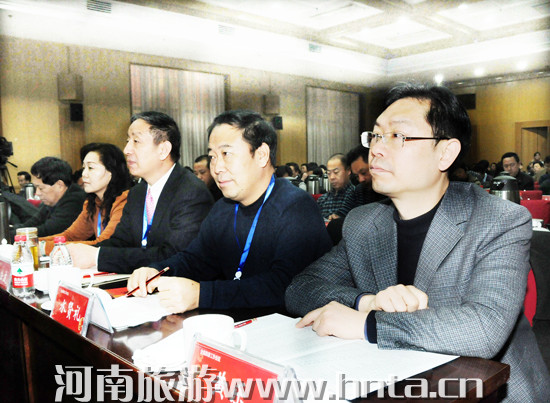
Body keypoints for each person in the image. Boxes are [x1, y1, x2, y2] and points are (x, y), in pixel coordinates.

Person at [285, 83, 549, 401]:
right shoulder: (363, 222)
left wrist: (369, 324)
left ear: (445, 153)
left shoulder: (498, 219)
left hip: (486, 391)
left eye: (398, 135)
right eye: (376, 135)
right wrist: (365, 302)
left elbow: (483, 328)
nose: (376, 149)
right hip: (396, 381)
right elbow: (300, 288)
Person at [126, 110, 332, 313]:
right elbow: (196, 260)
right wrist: (157, 271)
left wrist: (202, 295)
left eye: (226, 154)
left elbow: (284, 287)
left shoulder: (296, 207)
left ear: (261, 155)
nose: (217, 168)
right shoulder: (223, 208)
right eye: (213, 156)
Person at [67, 111, 213, 273]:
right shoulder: (137, 192)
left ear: (163, 149)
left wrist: (97, 257)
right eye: (128, 141)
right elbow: (120, 242)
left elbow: (173, 255)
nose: (126, 150)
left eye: (136, 141)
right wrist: (81, 252)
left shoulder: (191, 192)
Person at [40, 143, 132, 254]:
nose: (84, 174)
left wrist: (44, 247)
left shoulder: (125, 201)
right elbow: (71, 236)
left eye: (91, 168)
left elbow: (103, 244)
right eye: (84, 168)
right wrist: (34, 243)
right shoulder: (93, 203)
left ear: (112, 171)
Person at [11, 157, 86, 237]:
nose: (37, 193)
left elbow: (48, 231)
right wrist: (10, 231)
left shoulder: (75, 200)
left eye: (41, 188)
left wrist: (12, 235)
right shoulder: (51, 201)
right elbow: (33, 223)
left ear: (60, 185)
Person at [316, 153, 354, 221]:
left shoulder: (355, 196)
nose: (332, 177)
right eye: (329, 173)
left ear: (348, 171)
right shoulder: (322, 199)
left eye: (336, 172)